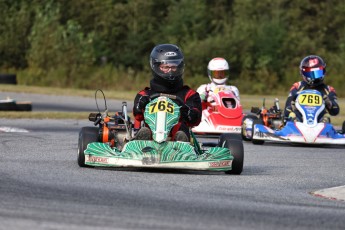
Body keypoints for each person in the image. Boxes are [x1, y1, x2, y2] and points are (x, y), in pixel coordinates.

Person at [133, 44, 202, 142]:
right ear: (156, 66)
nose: (170, 71)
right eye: (165, 67)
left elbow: (195, 120)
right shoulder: (145, 94)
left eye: (173, 67)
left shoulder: (189, 94)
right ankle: (142, 141)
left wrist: (188, 112)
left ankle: (181, 142)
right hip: (151, 139)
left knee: (180, 127)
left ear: (180, 67)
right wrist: (140, 106)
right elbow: (138, 116)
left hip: (176, 142)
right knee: (146, 128)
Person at [284, 55, 339, 123]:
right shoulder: (297, 86)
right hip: (299, 120)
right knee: (292, 115)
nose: (314, 77)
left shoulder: (329, 89)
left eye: (317, 73)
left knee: (326, 116)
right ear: (303, 73)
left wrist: (329, 102)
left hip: (319, 122)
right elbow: (287, 110)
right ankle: (295, 125)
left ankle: (322, 128)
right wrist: (293, 105)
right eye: (311, 73)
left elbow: (335, 111)